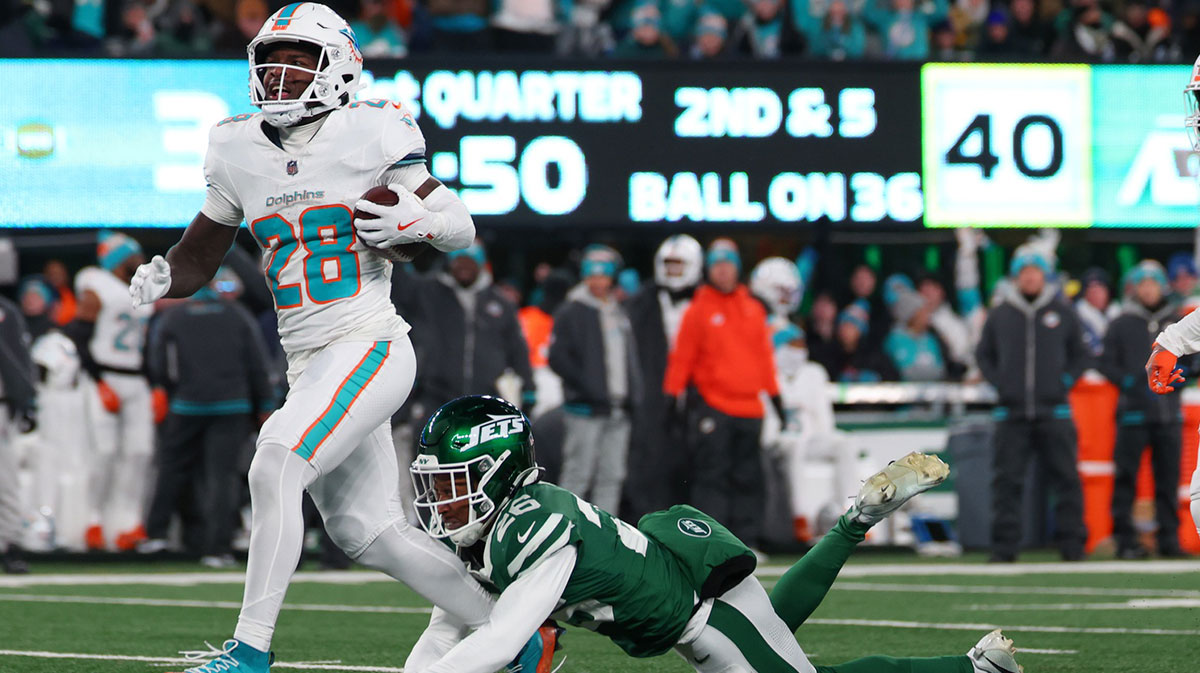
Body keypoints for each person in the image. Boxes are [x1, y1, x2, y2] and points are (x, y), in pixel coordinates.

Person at [125, 6, 545, 670]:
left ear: (340, 64)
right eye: (271, 58)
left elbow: (458, 222)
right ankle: (512, 631)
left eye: (298, 57)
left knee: (275, 460)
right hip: (309, 360)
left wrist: (421, 221)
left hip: (369, 343)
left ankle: (249, 651)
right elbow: (200, 254)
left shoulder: (373, 131)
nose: (280, 71)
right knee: (367, 532)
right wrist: (163, 275)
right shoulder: (236, 146)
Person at [404, 394, 1023, 673]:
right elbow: (447, 628)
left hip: (706, 621)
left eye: (454, 481)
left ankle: (970, 665)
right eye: (433, 484)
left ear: (502, 472)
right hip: (701, 615)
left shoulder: (535, 528)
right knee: (784, 650)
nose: (440, 499)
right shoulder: (492, 530)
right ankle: (858, 527)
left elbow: (500, 640)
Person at [142, 268, 277, 567]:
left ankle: (156, 535)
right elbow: (256, 363)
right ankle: (218, 548)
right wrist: (264, 405)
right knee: (222, 476)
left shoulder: (174, 316)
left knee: (171, 468)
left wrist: (167, 390)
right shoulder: (237, 314)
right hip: (232, 406)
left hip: (187, 404)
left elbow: (158, 361)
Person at [664, 238, 782, 549]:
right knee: (711, 478)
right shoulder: (698, 310)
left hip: (750, 409)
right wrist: (671, 397)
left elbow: (764, 358)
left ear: (737, 269)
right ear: (708, 270)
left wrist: (776, 399)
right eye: (717, 265)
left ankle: (747, 541)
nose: (723, 272)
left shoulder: (754, 309)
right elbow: (682, 358)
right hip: (714, 405)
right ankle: (710, 543)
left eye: (728, 265)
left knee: (748, 478)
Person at [975, 247, 1087, 563]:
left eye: (1034, 271)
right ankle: (1004, 548)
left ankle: (1072, 546)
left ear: (1044, 275)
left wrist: (1062, 383)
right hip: (1011, 413)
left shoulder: (1063, 312)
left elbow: (1081, 354)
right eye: (1024, 272)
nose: (1029, 277)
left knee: (1065, 479)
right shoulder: (1000, 314)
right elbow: (983, 354)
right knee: (1007, 482)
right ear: (1016, 277)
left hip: (1055, 412)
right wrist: (1001, 383)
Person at [66, 231, 155, 552]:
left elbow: (147, 346)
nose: (139, 260)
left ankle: (129, 523)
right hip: (105, 375)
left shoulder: (139, 289)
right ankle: (93, 519)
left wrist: (154, 385)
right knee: (103, 452)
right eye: (133, 255)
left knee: (139, 452)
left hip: (136, 379)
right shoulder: (96, 285)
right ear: (118, 259)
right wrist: (100, 383)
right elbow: (78, 336)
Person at [1100, 261, 1184, 559]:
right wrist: (1128, 381)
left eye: (1153, 282)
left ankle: (1169, 540)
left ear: (1163, 285)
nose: (1148, 288)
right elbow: (1105, 361)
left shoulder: (1177, 321)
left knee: (1168, 480)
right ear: (1135, 288)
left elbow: (1194, 358)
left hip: (1168, 415)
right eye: (1143, 283)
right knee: (1126, 478)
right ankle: (1124, 540)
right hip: (1133, 414)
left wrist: (1182, 375)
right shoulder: (1121, 322)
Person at [548, 244, 639, 514]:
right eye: (593, 275)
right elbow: (558, 358)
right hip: (585, 408)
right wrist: (587, 387)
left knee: (612, 476)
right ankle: (564, 531)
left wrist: (635, 394)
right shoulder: (571, 310)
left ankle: (607, 538)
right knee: (578, 474)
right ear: (585, 276)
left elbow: (628, 359)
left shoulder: (618, 310)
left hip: (617, 407)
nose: (599, 281)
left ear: (612, 277)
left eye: (604, 275)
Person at [401, 239, 535, 421]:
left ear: (480, 265)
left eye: (470, 263)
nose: (464, 268)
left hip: (486, 398)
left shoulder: (501, 303)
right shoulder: (428, 294)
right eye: (459, 262)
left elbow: (517, 348)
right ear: (450, 264)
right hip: (435, 395)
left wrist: (528, 387)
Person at [624, 234, 703, 519]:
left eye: (679, 264)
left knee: (698, 466)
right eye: (668, 264)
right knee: (651, 464)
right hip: (653, 397)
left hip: (698, 397)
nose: (673, 271)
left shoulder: (709, 302)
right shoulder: (640, 304)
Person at [0, 293, 36, 573]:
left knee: (5, 479)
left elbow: (16, 356)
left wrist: (24, 397)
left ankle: (10, 543)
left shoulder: (5, 310)